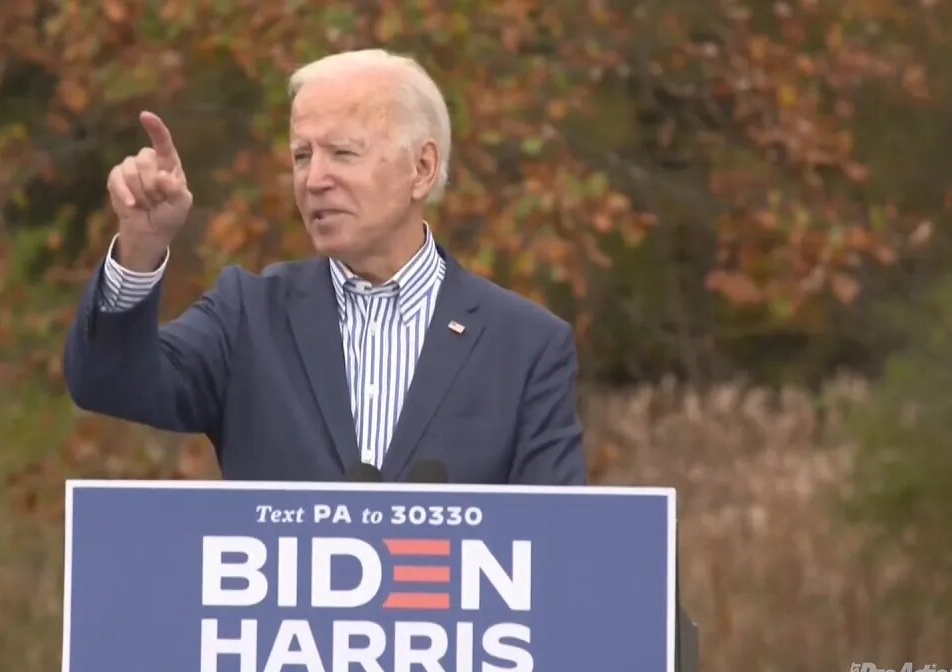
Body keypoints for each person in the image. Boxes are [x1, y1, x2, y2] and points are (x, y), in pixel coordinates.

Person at [63, 48, 587, 485]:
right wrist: (141, 247)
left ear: (421, 169)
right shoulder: (248, 316)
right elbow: (110, 383)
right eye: (300, 156)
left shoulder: (524, 346)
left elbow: (561, 547)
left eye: (341, 153)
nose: (314, 180)